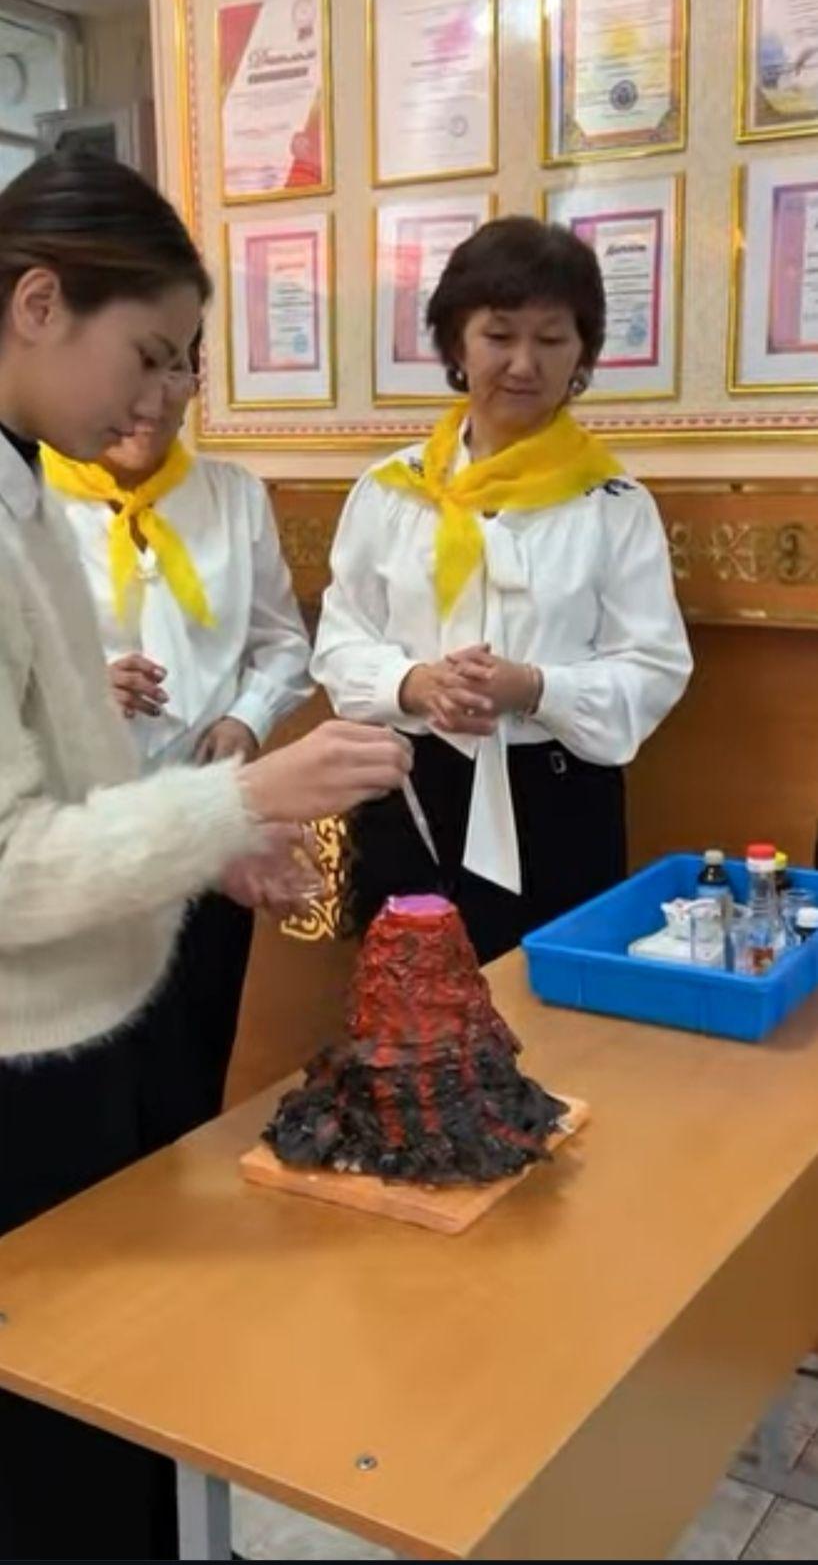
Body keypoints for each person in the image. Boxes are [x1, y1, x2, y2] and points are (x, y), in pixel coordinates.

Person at [0, 151, 410, 1561]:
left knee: (115, 1369)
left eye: (185, 363)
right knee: (57, 1409)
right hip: (25, 1048)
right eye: (149, 353)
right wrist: (240, 801)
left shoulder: (23, 485)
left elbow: (65, 779)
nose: (164, 394)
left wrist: (210, 846)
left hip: (82, 1014)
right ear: (38, 303)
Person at [313, 217, 692, 965]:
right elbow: (340, 640)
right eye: (498, 335)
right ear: (456, 343)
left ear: (582, 353)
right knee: (411, 1013)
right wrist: (414, 683)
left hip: (559, 797)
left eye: (551, 339)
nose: (523, 363)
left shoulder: (612, 504)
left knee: (553, 1015)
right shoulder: (392, 491)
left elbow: (655, 667)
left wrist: (536, 687)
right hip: (409, 788)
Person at [43, 331, 314, 1134]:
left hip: (205, 840)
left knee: (187, 1072)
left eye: (174, 368)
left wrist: (246, 719)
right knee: (75, 1095)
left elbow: (282, 643)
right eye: (129, 366)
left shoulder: (232, 496)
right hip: (69, 841)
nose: (152, 398)